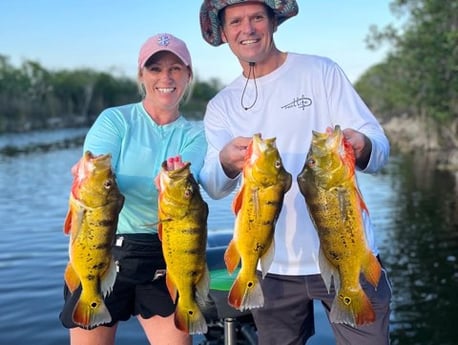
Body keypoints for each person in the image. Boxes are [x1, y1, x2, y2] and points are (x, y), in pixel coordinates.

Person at [198, 1, 392, 345]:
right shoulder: (221, 106)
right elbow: (213, 186)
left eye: (257, 17)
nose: (248, 29)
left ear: (273, 22)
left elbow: (379, 151)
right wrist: (227, 161)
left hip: (350, 253)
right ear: (224, 33)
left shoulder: (321, 72)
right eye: (236, 21)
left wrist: (363, 144)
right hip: (270, 269)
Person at [59, 33, 207, 345]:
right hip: (105, 247)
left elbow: (188, 171)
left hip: (163, 256)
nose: (165, 77)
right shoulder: (115, 120)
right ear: (141, 75)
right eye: (155, 69)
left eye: (175, 68)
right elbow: (98, 168)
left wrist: (177, 174)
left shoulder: (196, 135)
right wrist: (87, 173)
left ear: (188, 75)